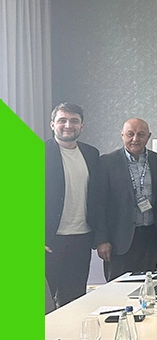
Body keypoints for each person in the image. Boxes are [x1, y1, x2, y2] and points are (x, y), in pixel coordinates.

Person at [97, 118, 157, 281]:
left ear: (149, 136)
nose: (135, 139)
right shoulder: (106, 162)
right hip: (118, 240)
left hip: (151, 237)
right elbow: (99, 204)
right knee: (118, 289)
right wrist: (102, 240)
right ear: (122, 135)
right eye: (130, 134)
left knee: (147, 286)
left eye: (141, 134)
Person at [45, 102, 103, 306]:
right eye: (62, 120)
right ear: (52, 124)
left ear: (82, 126)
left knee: (74, 301)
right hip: (49, 242)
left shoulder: (91, 154)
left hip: (81, 239)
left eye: (74, 121)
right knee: (41, 303)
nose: (68, 125)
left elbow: (98, 198)